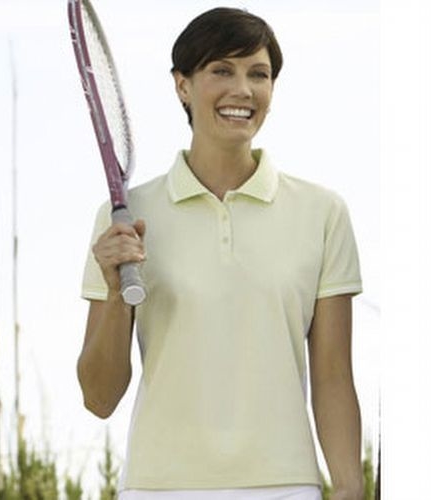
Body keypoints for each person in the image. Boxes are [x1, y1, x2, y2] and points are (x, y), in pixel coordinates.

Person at [78, 7, 364, 500]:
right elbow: (99, 398)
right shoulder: (123, 217)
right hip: (158, 487)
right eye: (222, 70)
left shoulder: (323, 213)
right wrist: (115, 292)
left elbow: (334, 376)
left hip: (286, 485)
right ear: (182, 86)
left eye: (259, 74)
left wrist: (350, 486)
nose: (243, 90)